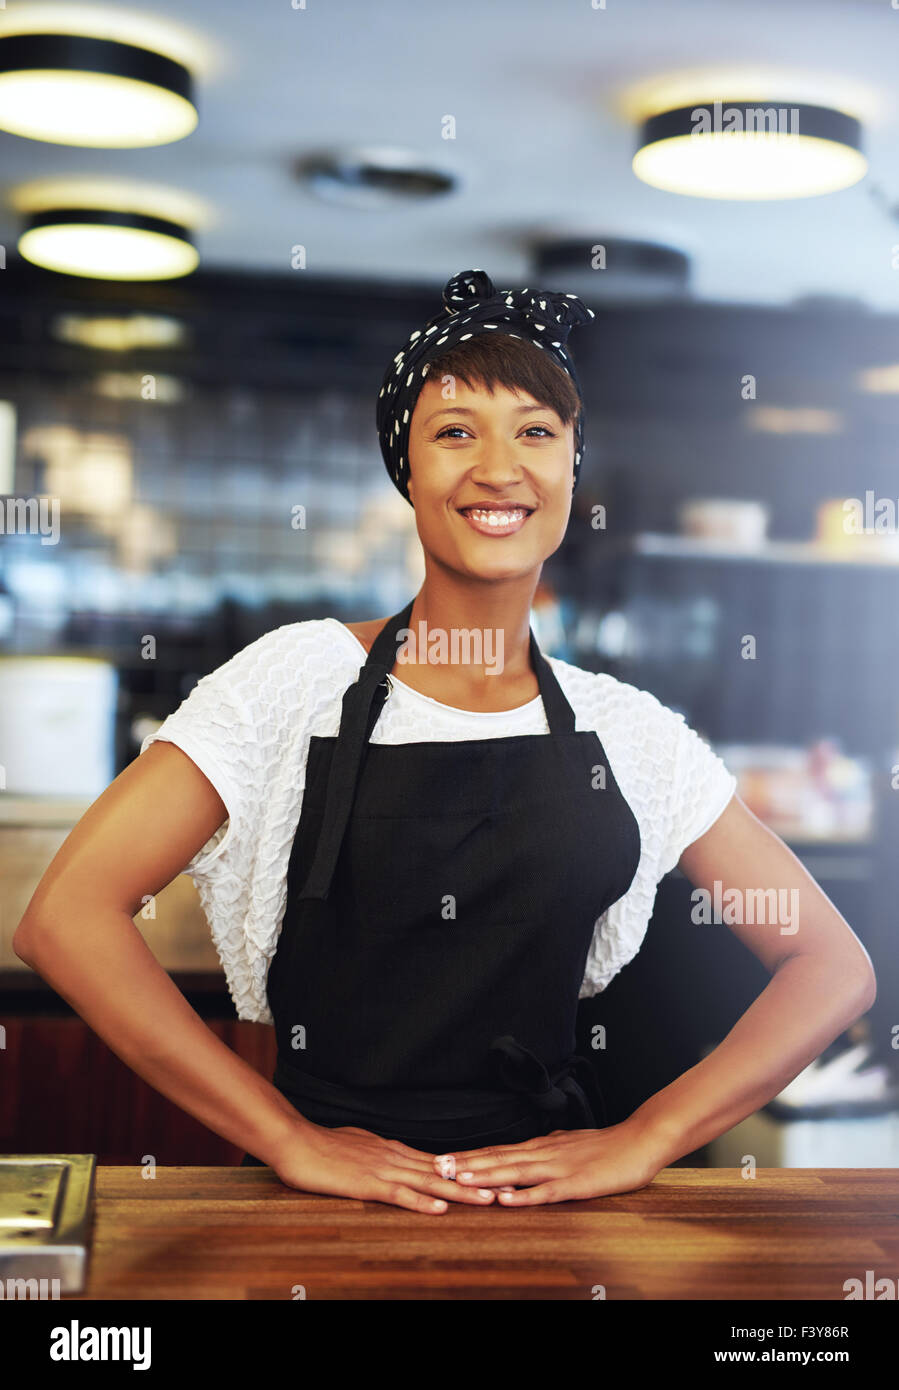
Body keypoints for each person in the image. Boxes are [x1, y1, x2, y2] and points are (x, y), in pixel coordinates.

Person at [14, 269, 876, 1216]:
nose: (500, 468)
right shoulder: (292, 681)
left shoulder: (630, 731)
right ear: (407, 471)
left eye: (536, 433)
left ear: (569, 471)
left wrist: (646, 1139)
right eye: (455, 431)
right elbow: (69, 918)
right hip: (322, 1208)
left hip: (546, 1212)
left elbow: (830, 967)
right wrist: (286, 1138)